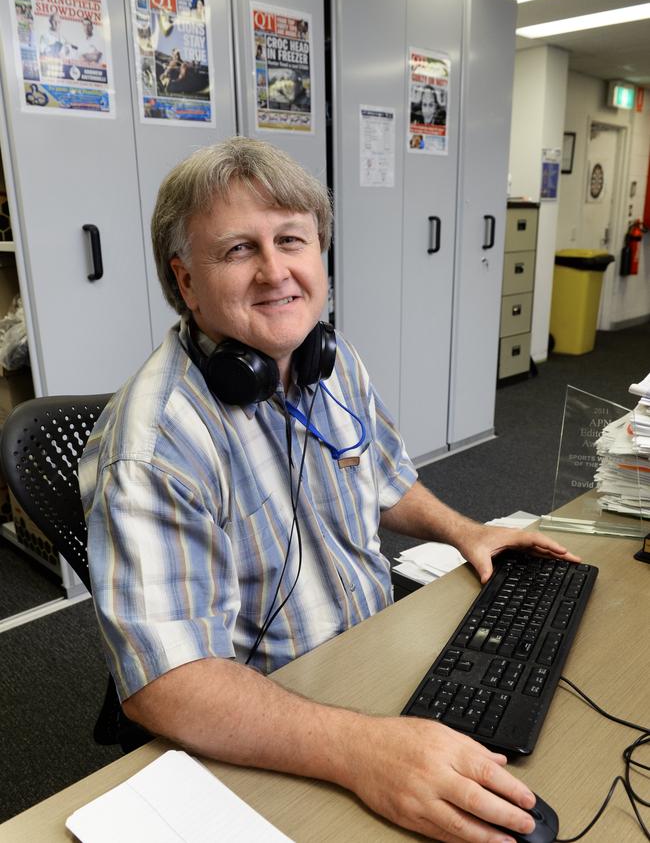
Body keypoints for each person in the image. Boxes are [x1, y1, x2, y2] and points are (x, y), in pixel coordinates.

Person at [79, 137, 576, 842]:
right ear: (186, 282)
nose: (275, 270)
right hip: (269, 729)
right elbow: (169, 685)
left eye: (292, 239)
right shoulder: (155, 444)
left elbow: (384, 479)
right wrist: (364, 748)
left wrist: (467, 530)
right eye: (238, 250)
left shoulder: (328, 364)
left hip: (369, 670)